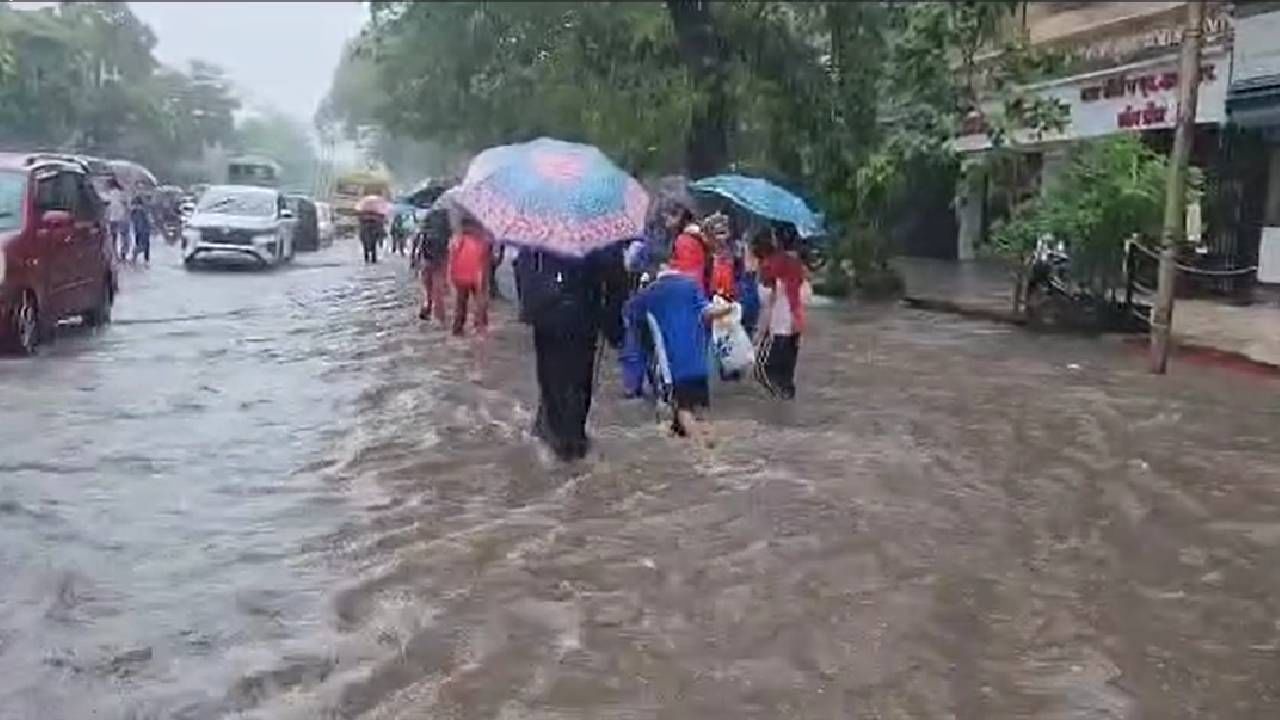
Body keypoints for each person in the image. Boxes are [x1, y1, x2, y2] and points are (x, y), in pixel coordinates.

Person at [516, 244, 628, 462]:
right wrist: (614, 330)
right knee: (578, 381)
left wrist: (529, 311)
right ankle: (573, 441)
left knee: (551, 379)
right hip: (582, 318)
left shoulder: (537, 233)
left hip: (547, 317)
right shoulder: (599, 234)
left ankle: (556, 438)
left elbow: (523, 272)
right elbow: (616, 284)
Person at [626, 247, 732, 445]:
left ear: (651, 268)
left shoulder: (649, 294)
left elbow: (630, 316)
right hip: (699, 364)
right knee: (698, 414)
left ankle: (706, 458)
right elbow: (708, 311)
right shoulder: (690, 285)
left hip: (673, 368)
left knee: (683, 413)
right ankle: (712, 449)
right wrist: (730, 308)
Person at [757, 226, 808, 400]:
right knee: (787, 371)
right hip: (795, 319)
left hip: (781, 322)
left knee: (766, 369)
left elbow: (766, 285)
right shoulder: (797, 263)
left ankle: (777, 402)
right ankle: (785, 399)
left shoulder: (776, 262)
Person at [448, 217, 492, 337]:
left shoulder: (457, 240)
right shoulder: (483, 241)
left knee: (461, 305)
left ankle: (458, 330)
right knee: (480, 303)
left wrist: (451, 277)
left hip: (460, 277)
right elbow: (485, 262)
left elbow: (451, 259)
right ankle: (480, 328)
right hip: (476, 277)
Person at [414, 206, 451, 323]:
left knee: (428, 287)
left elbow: (419, 240)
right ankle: (440, 318)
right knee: (438, 289)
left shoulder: (427, 219)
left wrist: (415, 259)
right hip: (441, 258)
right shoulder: (447, 218)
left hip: (427, 258)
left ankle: (428, 307)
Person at [104, 179, 130, 260]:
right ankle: (123, 253)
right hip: (122, 218)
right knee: (124, 236)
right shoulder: (123, 194)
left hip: (112, 218)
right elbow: (128, 205)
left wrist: (106, 217)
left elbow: (107, 206)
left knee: (114, 237)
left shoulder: (107, 194)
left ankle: (114, 253)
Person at [129, 197, 152, 265]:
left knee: (145, 246)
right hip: (138, 232)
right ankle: (135, 258)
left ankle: (143, 259)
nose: (135, 206)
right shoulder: (134, 212)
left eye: (137, 204)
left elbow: (147, 221)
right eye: (134, 205)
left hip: (144, 231)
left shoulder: (143, 212)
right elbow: (132, 221)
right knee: (140, 244)